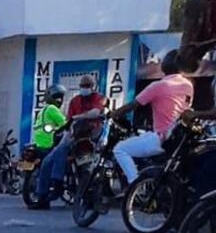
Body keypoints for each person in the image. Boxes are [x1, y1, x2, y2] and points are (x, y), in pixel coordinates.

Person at [110, 50, 194, 185]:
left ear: (167, 65)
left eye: (164, 59)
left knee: (120, 149)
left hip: (161, 138)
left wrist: (114, 113)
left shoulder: (159, 86)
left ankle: (135, 185)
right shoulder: (188, 85)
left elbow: (133, 105)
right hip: (178, 137)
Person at [31, 77, 105, 209]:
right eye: (83, 85)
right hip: (74, 135)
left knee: (89, 168)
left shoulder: (99, 98)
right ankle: (45, 194)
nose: (85, 88)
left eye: (87, 85)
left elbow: (96, 112)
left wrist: (78, 117)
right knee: (47, 161)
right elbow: (67, 121)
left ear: (93, 86)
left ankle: (89, 198)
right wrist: (68, 130)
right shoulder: (74, 101)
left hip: (92, 137)